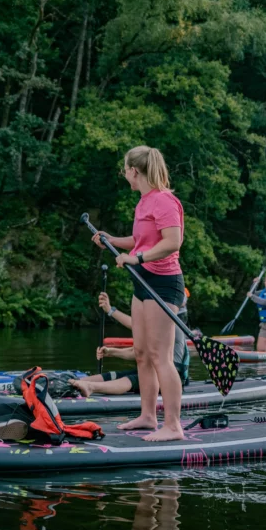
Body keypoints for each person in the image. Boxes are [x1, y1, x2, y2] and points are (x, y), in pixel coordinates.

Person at [91, 145, 185, 441]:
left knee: (161, 356)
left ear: (135, 171)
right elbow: (140, 239)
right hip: (141, 281)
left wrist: (138, 258)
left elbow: (173, 241)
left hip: (164, 283)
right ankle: (147, 416)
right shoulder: (143, 202)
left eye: (125, 170)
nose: (125, 176)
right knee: (143, 353)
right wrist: (112, 240)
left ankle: (173, 425)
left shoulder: (165, 201)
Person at [68, 290, 191, 397]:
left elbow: (134, 325)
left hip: (171, 379)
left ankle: (90, 387)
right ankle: (71, 382)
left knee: (135, 379)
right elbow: (136, 352)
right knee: (118, 374)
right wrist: (111, 352)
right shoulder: (159, 324)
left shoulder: (170, 324)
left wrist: (111, 310)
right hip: (155, 370)